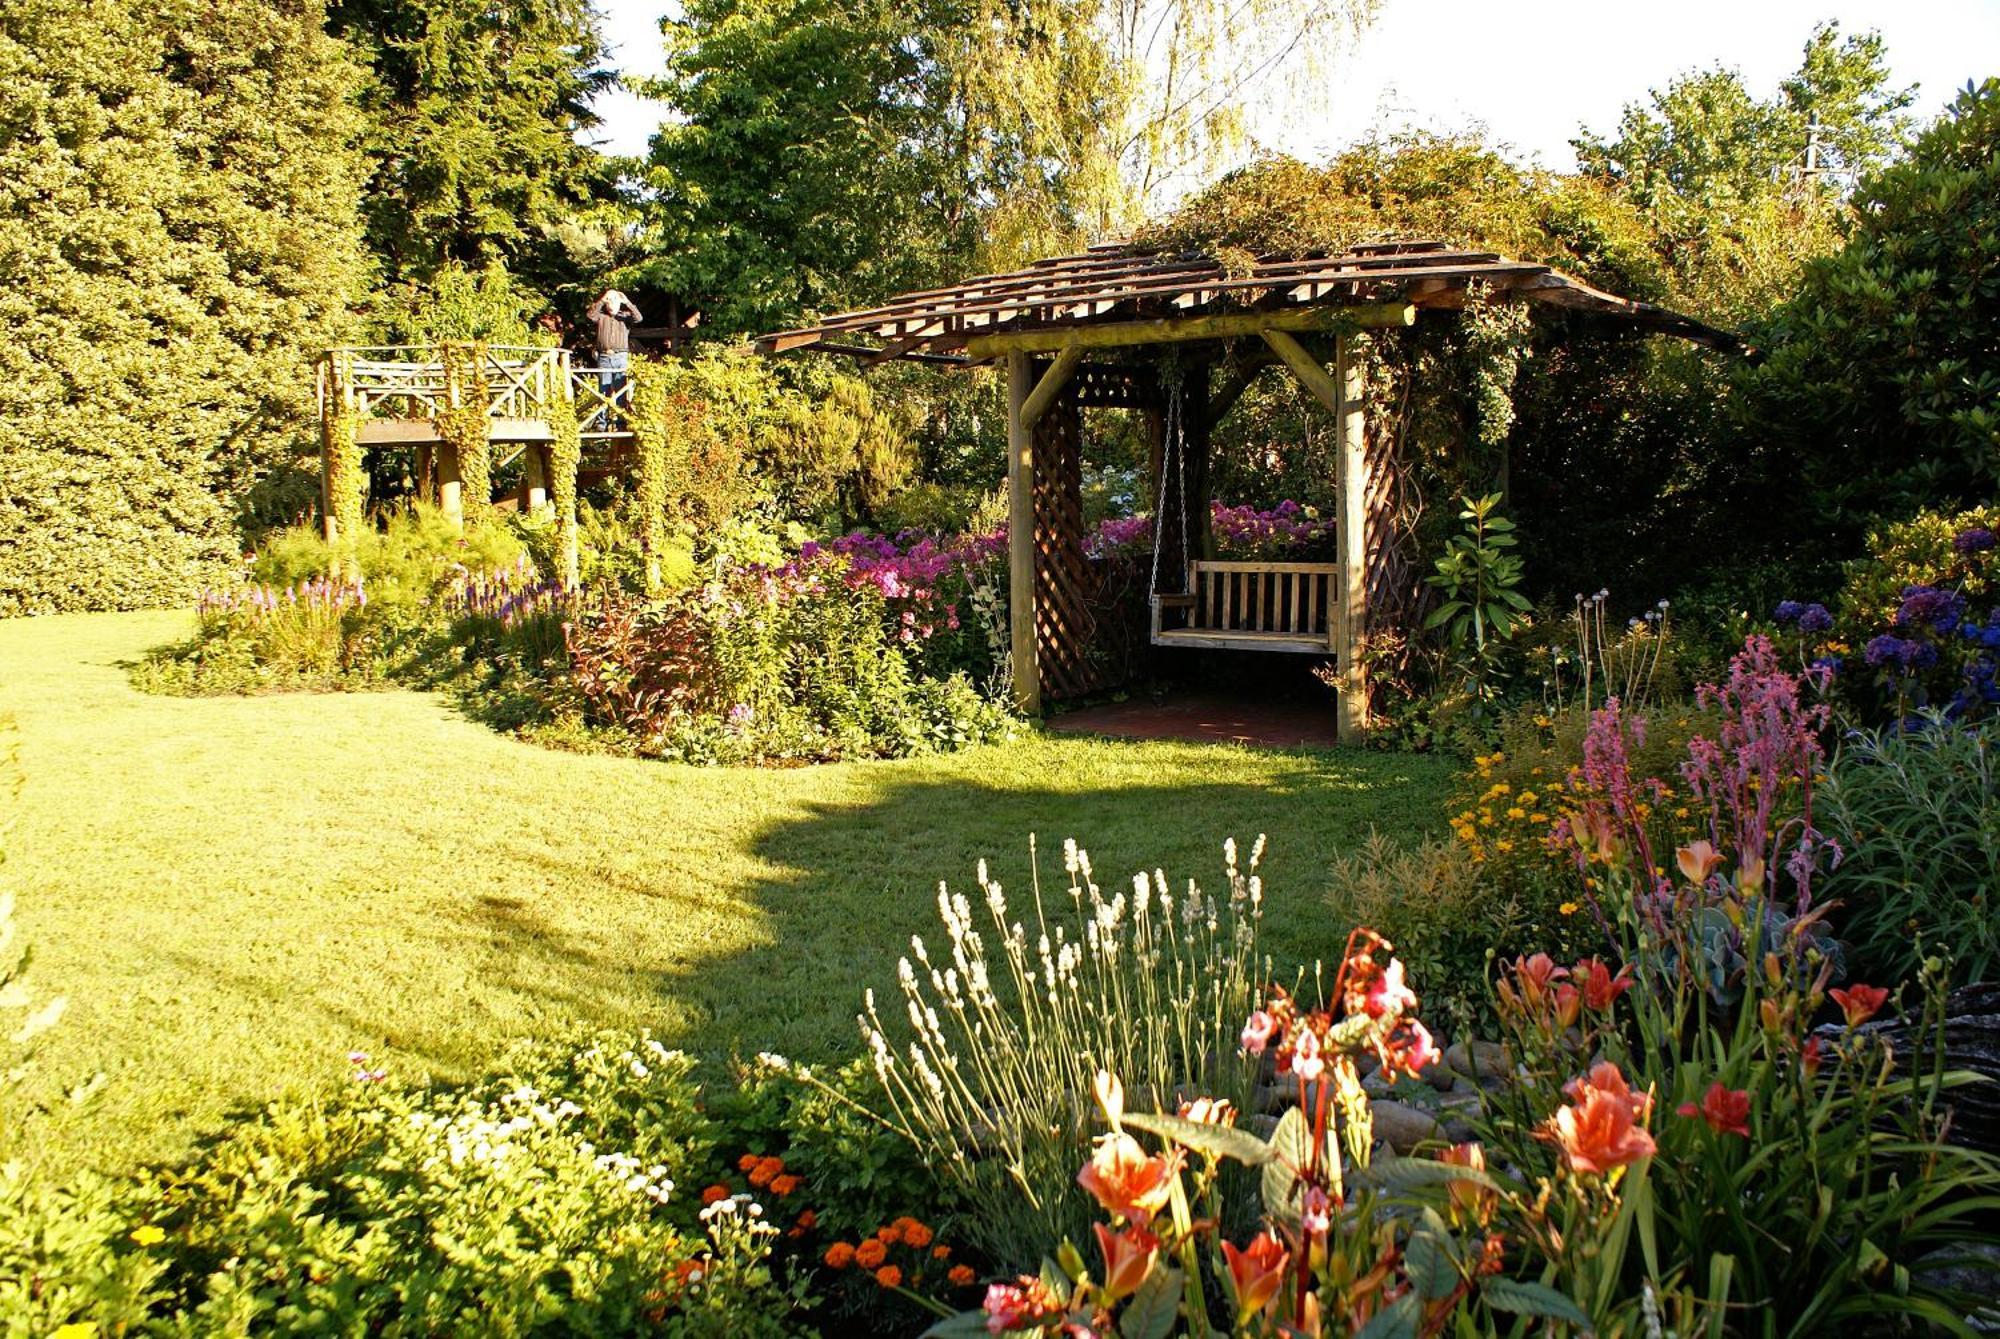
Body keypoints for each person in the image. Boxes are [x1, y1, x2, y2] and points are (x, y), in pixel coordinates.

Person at [585, 289, 643, 398]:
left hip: (620, 357)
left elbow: (639, 318)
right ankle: (603, 415)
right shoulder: (601, 316)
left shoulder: (625, 316)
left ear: (619, 303)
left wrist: (627, 302)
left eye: (614, 300)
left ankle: (621, 415)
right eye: (609, 300)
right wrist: (602, 300)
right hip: (604, 357)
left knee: (621, 390)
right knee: (603, 391)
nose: (611, 303)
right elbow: (590, 316)